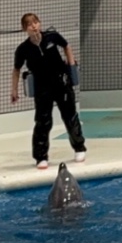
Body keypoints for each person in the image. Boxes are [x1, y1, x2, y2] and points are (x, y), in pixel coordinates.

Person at [11, 13, 87, 169]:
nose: (34, 26)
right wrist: (14, 90)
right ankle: (41, 157)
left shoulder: (52, 36)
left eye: (36, 22)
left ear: (40, 23)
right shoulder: (23, 49)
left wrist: (72, 69)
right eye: (30, 24)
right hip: (42, 88)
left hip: (61, 83)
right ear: (24, 29)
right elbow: (16, 70)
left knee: (70, 116)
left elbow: (66, 46)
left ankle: (79, 147)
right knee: (43, 122)